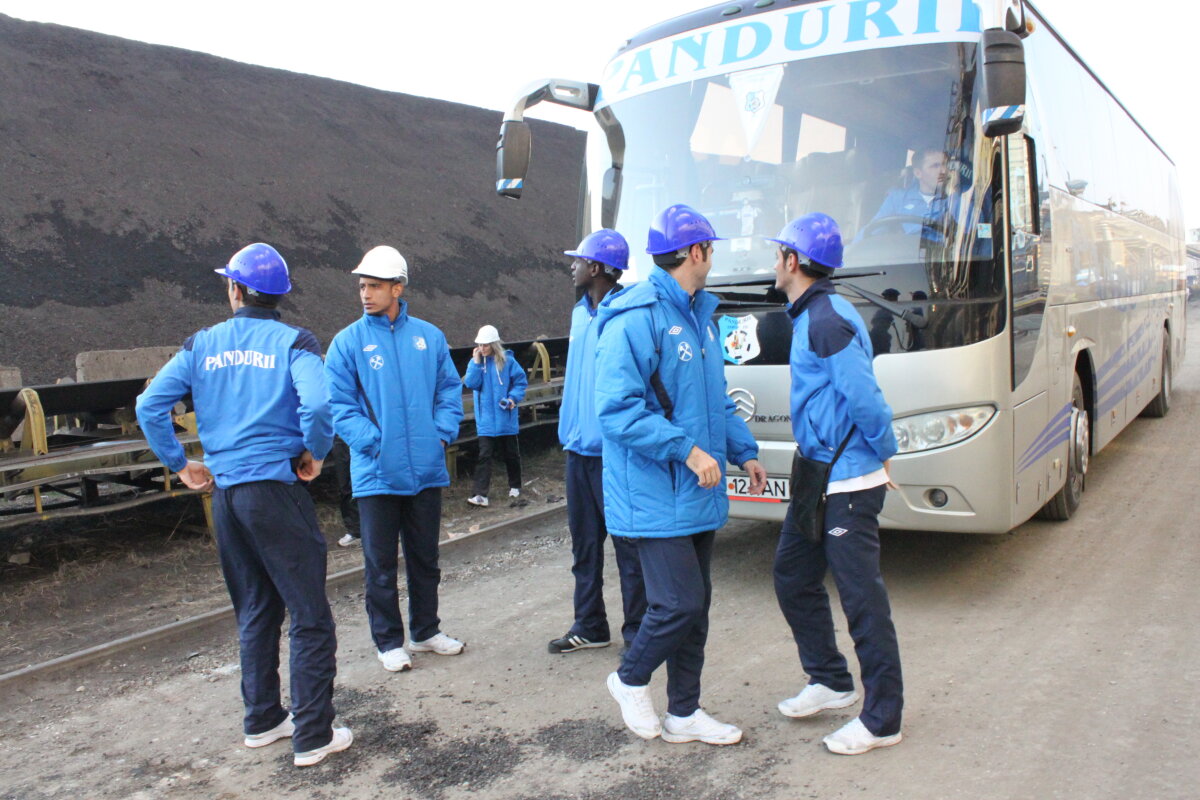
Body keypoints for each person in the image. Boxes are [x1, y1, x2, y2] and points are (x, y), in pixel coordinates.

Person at [135, 243, 351, 768]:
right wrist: (313, 452)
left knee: (255, 608)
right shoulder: (294, 341)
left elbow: (150, 404)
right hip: (275, 493)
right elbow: (319, 404)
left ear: (234, 289)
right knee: (309, 615)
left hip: (227, 496)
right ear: (279, 297)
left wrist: (180, 463)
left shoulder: (200, 344)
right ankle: (313, 735)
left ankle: (262, 720)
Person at [595, 204, 767, 746]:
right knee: (678, 603)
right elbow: (617, 410)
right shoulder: (636, 317)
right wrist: (688, 451)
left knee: (697, 609)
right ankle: (628, 679)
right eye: (711, 250)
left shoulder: (699, 316)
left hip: (695, 491)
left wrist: (746, 451)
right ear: (696, 253)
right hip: (653, 492)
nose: (713, 259)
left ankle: (685, 713)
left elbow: (713, 401)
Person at [766, 213, 904, 756]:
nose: (774, 262)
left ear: (794, 262)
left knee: (862, 601)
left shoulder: (825, 319)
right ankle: (831, 680)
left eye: (779, 253)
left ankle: (882, 719)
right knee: (792, 575)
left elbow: (865, 399)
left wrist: (886, 455)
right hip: (817, 473)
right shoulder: (808, 313)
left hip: (848, 478)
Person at [324, 245, 465, 674]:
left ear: (397, 288)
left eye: (374, 286)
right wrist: (373, 444)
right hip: (376, 472)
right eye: (362, 286)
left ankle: (425, 631)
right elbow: (338, 404)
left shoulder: (429, 336)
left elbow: (448, 389)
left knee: (425, 558)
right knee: (380, 565)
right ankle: (388, 641)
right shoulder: (347, 342)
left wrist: (440, 434)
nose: (365, 293)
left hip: (424, 469)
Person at [548, 229, 647, 656]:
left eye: (579, 260)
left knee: (627, 547)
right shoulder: (578, 313)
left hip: (614, 454)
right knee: (584, 546)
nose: (573, 266)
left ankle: (639, 633)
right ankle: (590, 624)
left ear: (599, 268)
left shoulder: (627, 314)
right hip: (578, 451)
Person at [463, 325, 528, 507]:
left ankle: (515, 485)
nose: (482, 348)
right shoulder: (475, 362)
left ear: (493, 344)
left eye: (485, 345)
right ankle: (480, 495)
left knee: (511, 454)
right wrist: (475, 363)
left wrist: (512, 398)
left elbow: (521, 381)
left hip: (505, 417)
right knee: (484, 456)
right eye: (479, 345)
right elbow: (471, 383)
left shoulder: (508, 361)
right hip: (486, 421)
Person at [867, 147, 951, 237]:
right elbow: (874, 229)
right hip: (906, 249)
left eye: (945, 165)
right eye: (935, 166)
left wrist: (953, 192)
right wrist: (852, 248)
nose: (944, 170)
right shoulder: (898, 198)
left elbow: (963, 233)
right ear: (918, 173)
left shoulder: (953, 200)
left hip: (941, 250)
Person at [332, 436, 362, 547]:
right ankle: (355, 531)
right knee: (345, 484)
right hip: (340, 435)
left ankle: (381, 528)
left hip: (363, 433)